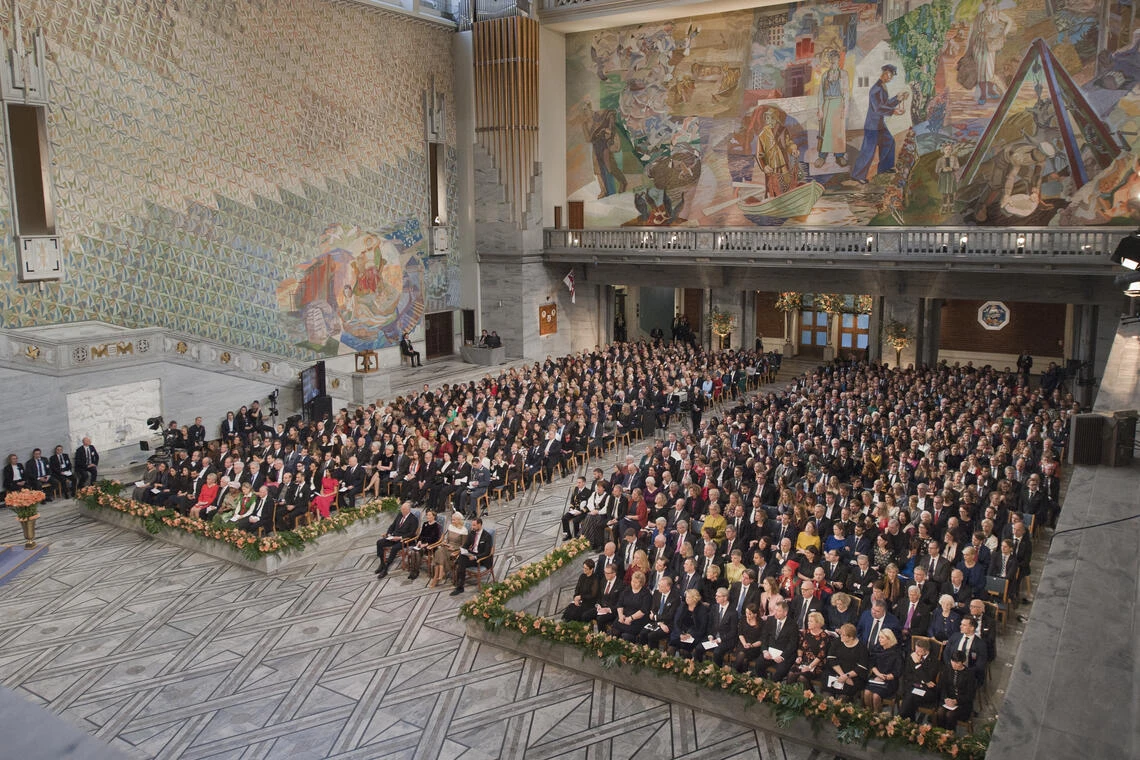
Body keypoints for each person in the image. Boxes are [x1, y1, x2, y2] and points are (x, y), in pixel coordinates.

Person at [849, 65, 908, 184]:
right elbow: (878, 108)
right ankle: (857, 175)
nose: (891, 78)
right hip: (872, 126)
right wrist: (893, 111)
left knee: (889, 141)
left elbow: (885, 104)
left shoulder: (882, 87)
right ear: (884, 73)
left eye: (892, 76)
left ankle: (885, 168)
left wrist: (898, 99)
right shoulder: (876, 89)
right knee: (868, 151)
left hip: (879, 124)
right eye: (890, 75)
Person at [755, 108, 800, 199]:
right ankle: (773, 200)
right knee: (772, 186)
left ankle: (789, 199)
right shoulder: (762, 135)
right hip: (771, 166)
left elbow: (789, 144)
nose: (769, 120)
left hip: (784, 163)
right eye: (767, 118)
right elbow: (759, 154)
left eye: (772, 118)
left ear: (776, 119)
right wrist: (764, 166)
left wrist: (793, 150)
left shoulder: (783, 130)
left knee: (787, 182)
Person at [815, 48, 849, 168]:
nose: (833, 60)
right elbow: (820, 93)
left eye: (835, 58)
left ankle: (839, 156)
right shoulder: (825, 75)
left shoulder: (843, 74)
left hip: (838, 104)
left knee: (838, 132)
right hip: (827, 104)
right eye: (831, 58)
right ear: (829, 60)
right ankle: (822, 156)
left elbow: (846, 93)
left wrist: (845, 109)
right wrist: (820, 109)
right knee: (825, 131)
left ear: (838, 59)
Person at [755, 598, 798, 682]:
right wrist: (765, 651)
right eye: (775, 610)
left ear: (785, 612)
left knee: (780, 672)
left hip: (783, 655)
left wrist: (782, 656)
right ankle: (764, 683)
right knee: (759, 664)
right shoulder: (770, 620)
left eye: (778, 611)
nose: (775, 613)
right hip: (770, 653)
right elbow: (764, 637)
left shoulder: (793, 625)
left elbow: (792, 644)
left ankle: (773, 686)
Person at [824, 622, 870, 698]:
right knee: (827, 694)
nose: (841, 636)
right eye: (841, 634)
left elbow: (861, 667)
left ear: (851, 637)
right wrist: (843, 676)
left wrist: (847, 676)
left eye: (843, 635)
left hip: (852, 675)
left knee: (843, 697)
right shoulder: (837, 642)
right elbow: (831, 658)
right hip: (837, 671)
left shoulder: (862, 648)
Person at [375, 501, 420, 578]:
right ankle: (382, 563)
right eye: (401, 509)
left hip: (404, 540)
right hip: (394, 537)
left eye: (403, 509)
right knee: (379, 542)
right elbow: (392, 526)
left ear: (408, 510)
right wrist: (389, 534)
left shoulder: (414, 519)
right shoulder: (399, 515)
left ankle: (386, 568)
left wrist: (399, 538)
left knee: (394, 548)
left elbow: (412, 533)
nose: (401, 510)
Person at [862, 628, 903, 711]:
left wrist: (885, 677)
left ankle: (877, 716)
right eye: (879, 637)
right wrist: (878, 675)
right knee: (866, 693)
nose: (879, 640)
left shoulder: (896, 653)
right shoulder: (877, 649)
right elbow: (871, 664)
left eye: (882, 638)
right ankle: (869, 714)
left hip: (889, 681)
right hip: (876, 677)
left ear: (889, 639)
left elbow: (897, 672)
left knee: (876, 696)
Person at [934, 651, 977, 729]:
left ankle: (949, 733)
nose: (954, 664)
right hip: (948, 700)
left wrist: (956, 701)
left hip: (962, 703)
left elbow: (970, 695)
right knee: (940, 712)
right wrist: (945, 698)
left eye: (957, 663)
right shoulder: (947, 669)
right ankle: (940, 732)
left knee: (950, 715)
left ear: (963, 662)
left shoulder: (969, 674)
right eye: (952, 661)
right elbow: (942, 686)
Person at [451, 517, 493, 595]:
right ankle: (460, 586)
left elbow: (487, 553)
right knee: (462, 558)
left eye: (474, 525)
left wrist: (475, 557)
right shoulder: (472, 533)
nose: (472, 527)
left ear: (479, 524)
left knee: (460, 562)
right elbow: (466, 545)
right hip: (472, 554)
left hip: (480, 558)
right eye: (472, 525)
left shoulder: (487, 536)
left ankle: (459, 585)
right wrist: (463, 551)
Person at [789, 611, 829, 688]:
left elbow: (821, 656)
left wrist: (810, 667)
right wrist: (799, 656)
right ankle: (788, 693)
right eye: (808, 621)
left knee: (802, 678)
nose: (808, 623)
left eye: (811, 621)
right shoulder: (805, 632)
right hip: (803, 661)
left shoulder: (824, 636)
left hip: (816, 664)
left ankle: (809, 694)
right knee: (791, 674)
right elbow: (800, 647)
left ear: (818, 623)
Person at [431, 512, 468, 588]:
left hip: (455, 549)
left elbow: (464, 546)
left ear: (459, 520)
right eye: (452, 519)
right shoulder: (450, 526)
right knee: (438, 551)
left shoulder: (464, 530)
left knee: (440, 553)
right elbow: (447, 539)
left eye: (454, 520)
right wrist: (445, 542)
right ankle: (440, 573)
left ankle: (436, 577)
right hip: (447, 547)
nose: (452, 521)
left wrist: (454, 548)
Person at [403, 509, 442, 581]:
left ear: (434, 516)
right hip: (421, 544)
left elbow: (436, 539)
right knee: (413, 552)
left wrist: (426, 544)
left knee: (417, 553)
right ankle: (412, 571)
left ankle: (416, 571)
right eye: (427, 515)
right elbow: (421, 535)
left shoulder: (437, 526)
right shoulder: (425, 524)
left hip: (430, 546)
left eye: (429, 515)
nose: (427, 516)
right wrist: (419, 541)